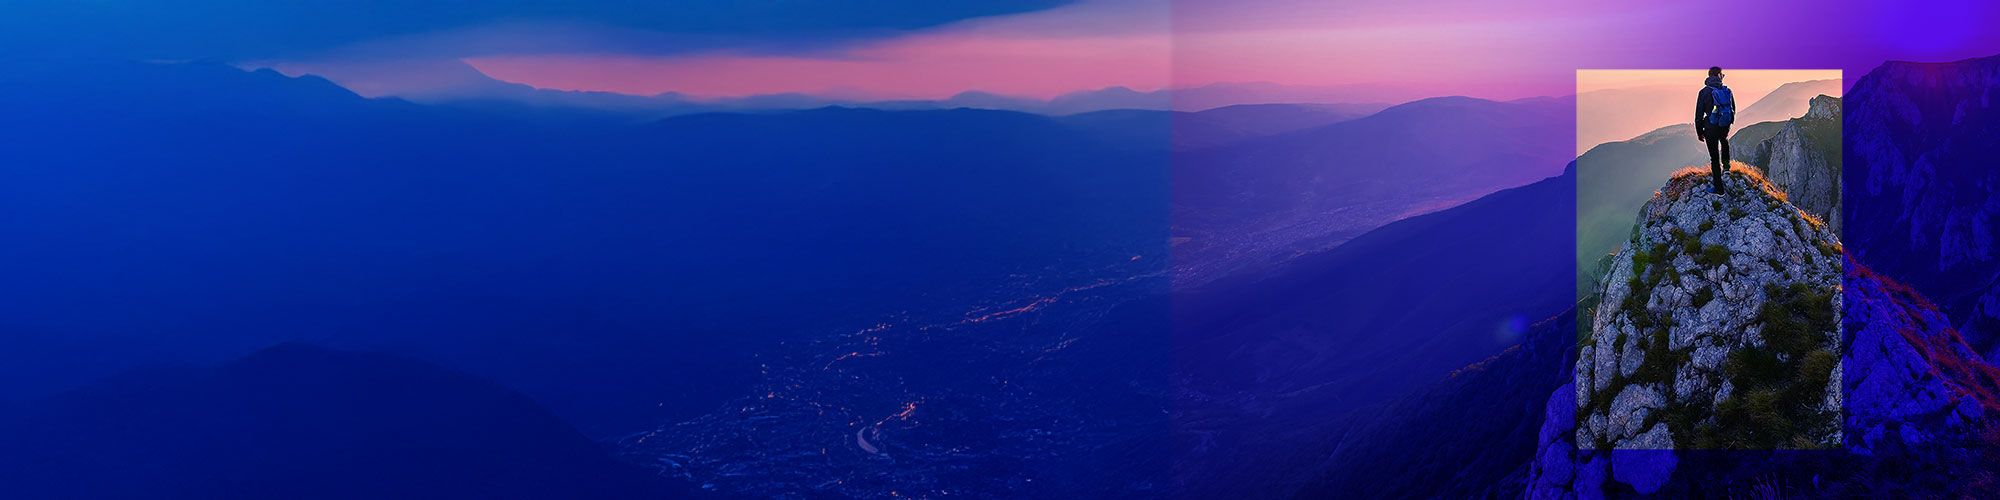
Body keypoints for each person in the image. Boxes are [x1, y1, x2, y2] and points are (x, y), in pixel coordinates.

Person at [1694, 66, 1735, 195]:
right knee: (1724, 141)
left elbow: (1699, 115)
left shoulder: (1704, 92)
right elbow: (1733, 108)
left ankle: (1719, 189)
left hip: (1710, 128)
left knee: (1714, 158)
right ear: (1719, 76)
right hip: (1724, 125)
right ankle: (1727, 168)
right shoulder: (1727, 90)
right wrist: (1728, 124)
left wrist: (1699, 132)